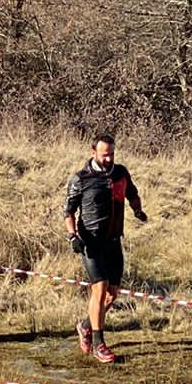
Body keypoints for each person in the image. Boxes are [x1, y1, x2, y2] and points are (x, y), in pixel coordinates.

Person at [64, 133, 147, 364]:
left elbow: (133, 193)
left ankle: (85, 325)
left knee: (112, 295)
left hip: (114, 241)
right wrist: (73, 236)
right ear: (94, 153)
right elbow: (68, 212)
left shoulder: (121, 172)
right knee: (99, 290)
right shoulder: (81, 178)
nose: (109, 158)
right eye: (105, 154)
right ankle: (99, 345)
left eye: (112, 153)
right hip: (91, 242)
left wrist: (138, 210)